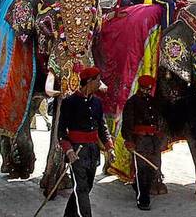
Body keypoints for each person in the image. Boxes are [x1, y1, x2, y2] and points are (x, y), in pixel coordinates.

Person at [58, 66, 114, 217]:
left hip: (93, 151)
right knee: (81, 188)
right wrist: (68, 151)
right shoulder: (69, 102)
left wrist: (109, 147)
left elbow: (102, 127)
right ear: (89, 81)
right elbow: (61, 132)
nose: (100, 83)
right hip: (76, 152)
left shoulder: (97, 102)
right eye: (98, 80)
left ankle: (69, 214)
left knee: (86, 186)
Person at [121, 75, 163, 211]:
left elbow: (158, 121)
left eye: (149, 89)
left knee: (152, 168)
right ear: (140, 87)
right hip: (140, 141)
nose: (147, 91)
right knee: (142, 170)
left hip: (153, 141)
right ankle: (143, 199)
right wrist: (129, 140)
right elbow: (127, 124)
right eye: (145, 89)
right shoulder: (132, 102)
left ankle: (139, 187)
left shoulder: (154, 101)